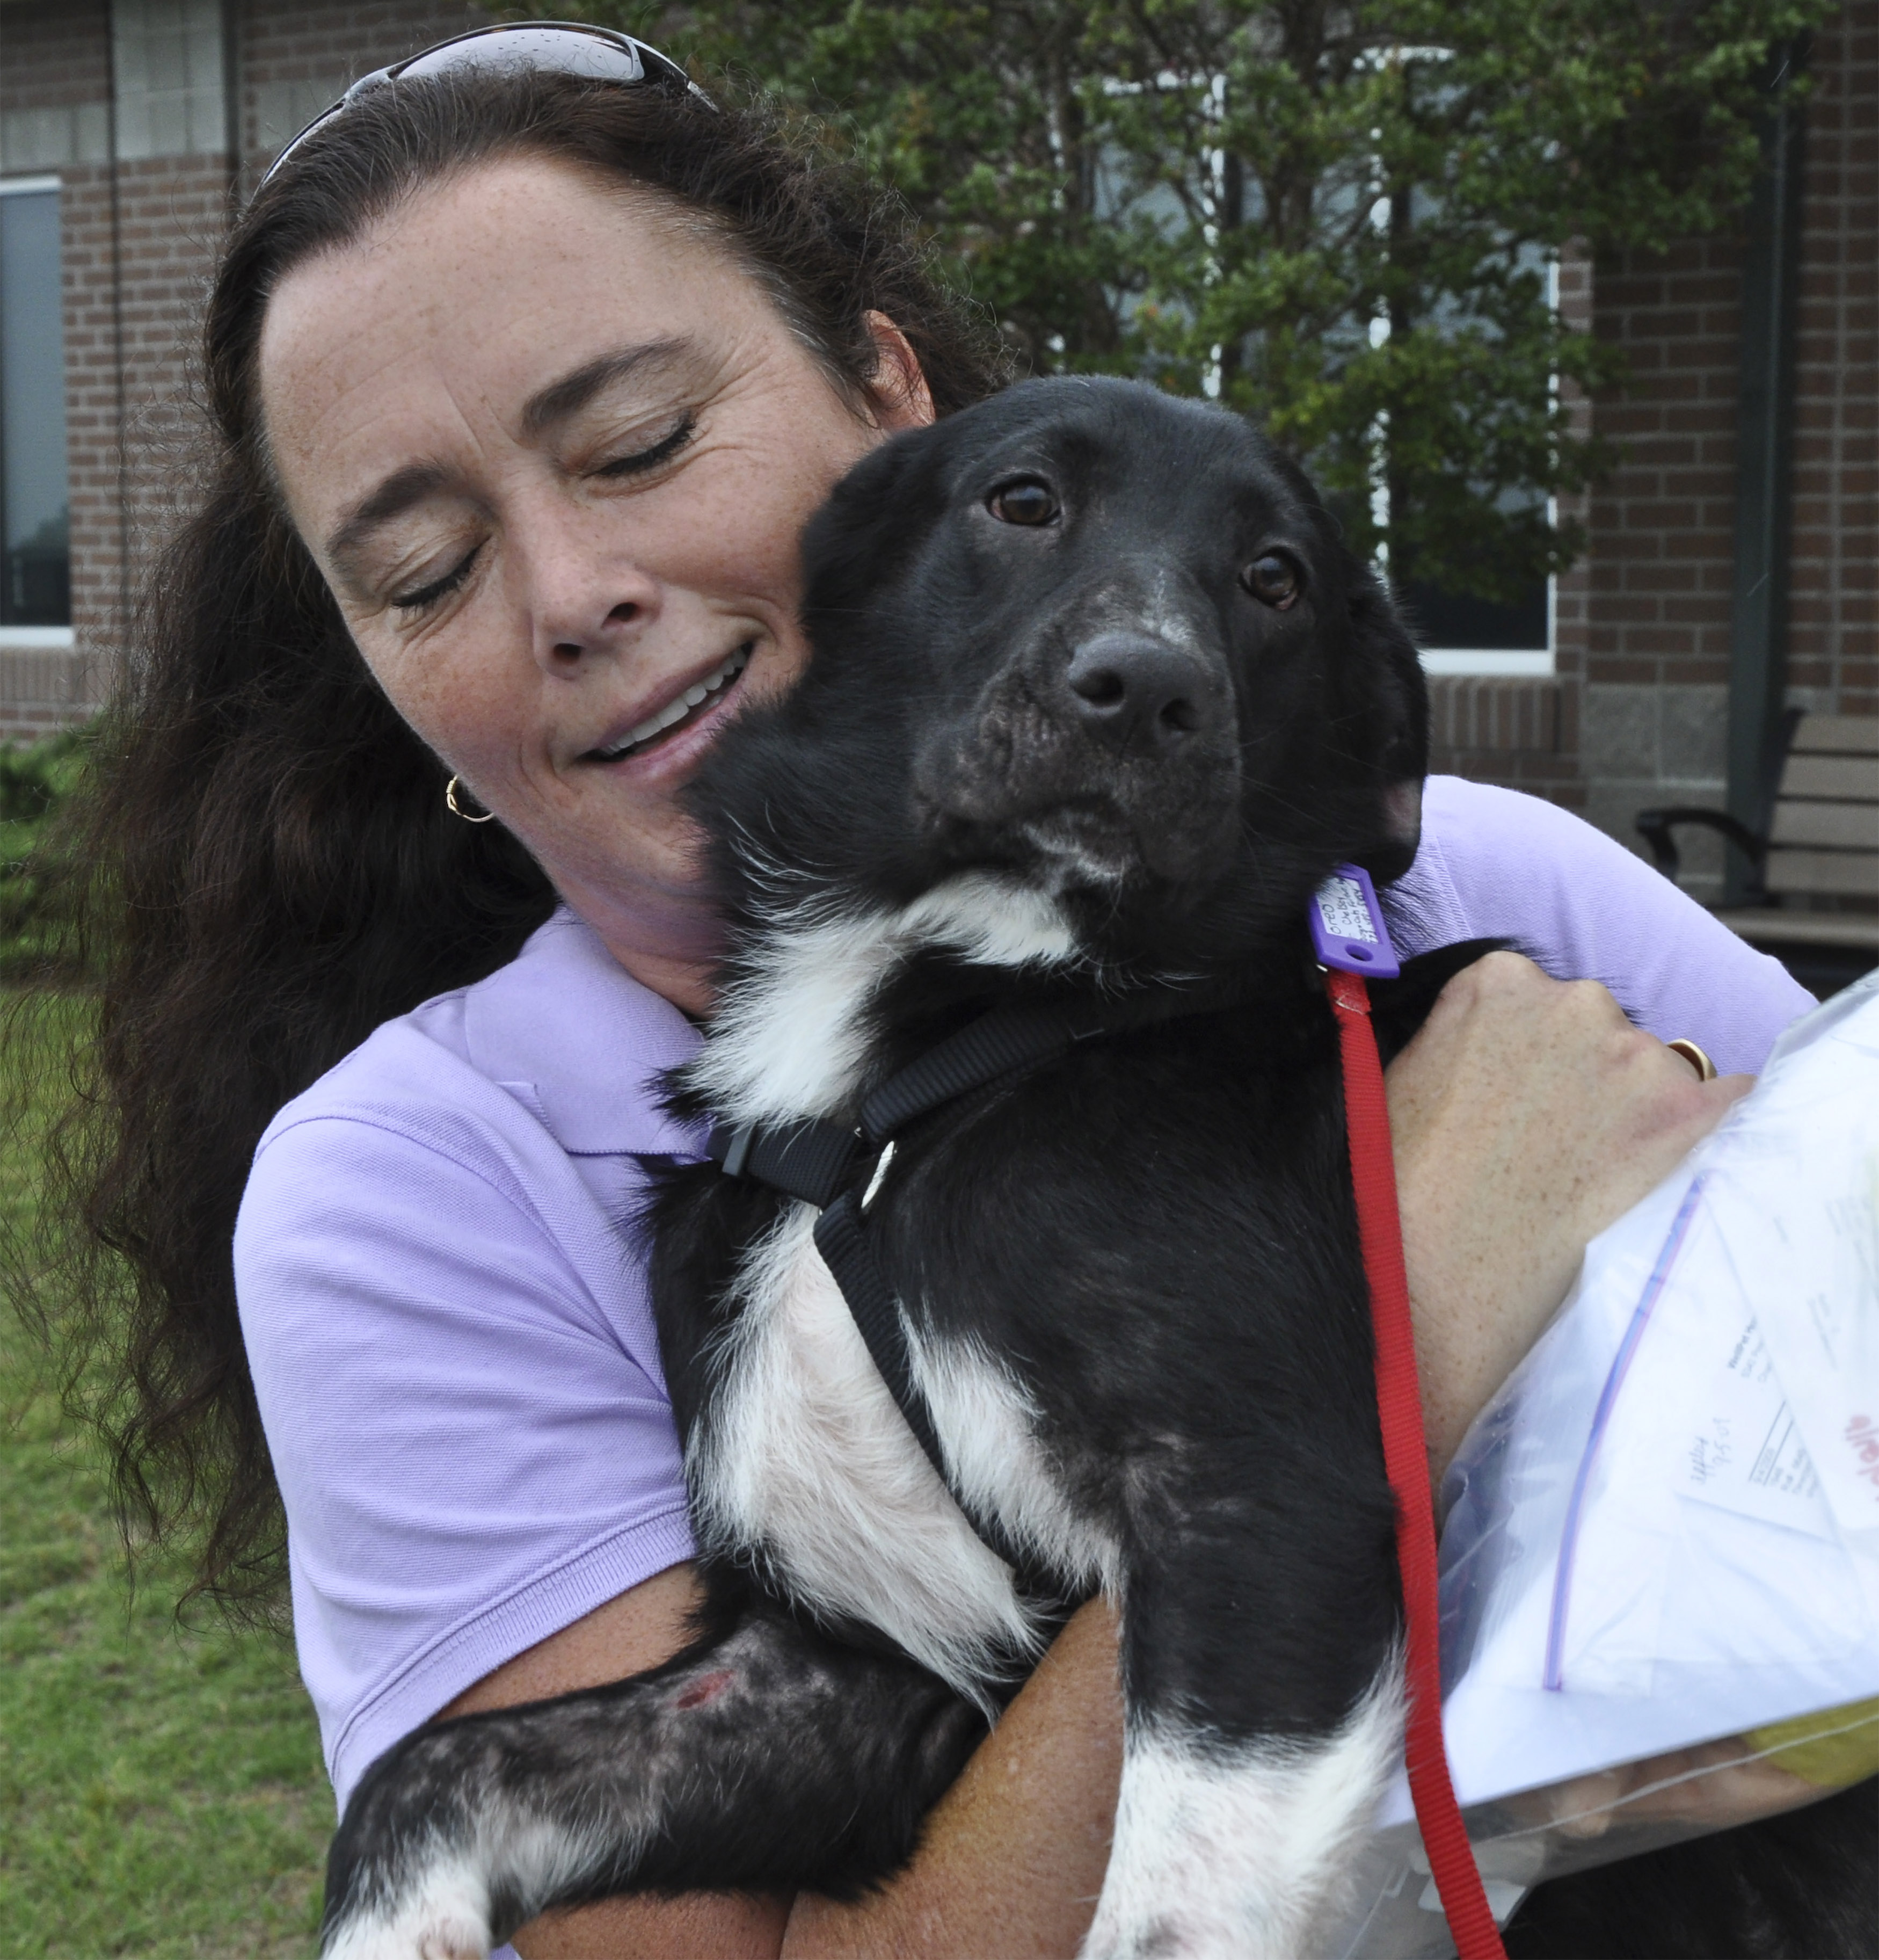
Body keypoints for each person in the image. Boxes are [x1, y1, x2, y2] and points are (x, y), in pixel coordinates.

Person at [43, 27, 1811, 1959]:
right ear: (385, 680)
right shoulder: (426, 1187)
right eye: (424, 567)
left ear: (893, 413)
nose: (566, 589)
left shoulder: (1464, 897)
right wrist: (1417, 1304)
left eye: (638, 444)